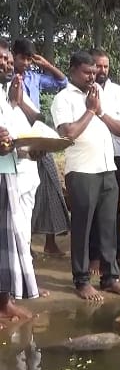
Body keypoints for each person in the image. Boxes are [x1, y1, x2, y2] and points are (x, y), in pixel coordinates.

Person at [51, 51, 120, 301]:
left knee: (108, 227)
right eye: (87, 72)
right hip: (82, 171)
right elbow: (68, 134)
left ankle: (110, 278)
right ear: (72, 69)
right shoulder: (63, 99)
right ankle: (82, 280)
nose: (92, 77)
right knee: (82, 228)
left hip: (107, 169)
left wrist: (100, 111)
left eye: (94, 73)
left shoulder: (99, 95)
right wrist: (90, 112)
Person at [12, 38, 70, 257]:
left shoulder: (35, 77)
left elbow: (63, 82)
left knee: (51, 184)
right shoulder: (8, 81)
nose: (26, 63)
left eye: (29, 59)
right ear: (13, 56)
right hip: (17, 136)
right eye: (22, 58)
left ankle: (50, 241)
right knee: (19, 192)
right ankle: (24, 245)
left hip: (37, 135)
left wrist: (46, 65)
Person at [0, 41, 45, 322]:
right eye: (0, 59)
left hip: (7, 173)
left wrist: (31, 150)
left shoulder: (7, 96)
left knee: (6, 239)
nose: (5, 63)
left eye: (6, 59)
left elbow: (12, 138)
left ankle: (5, 302)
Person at [88, 49, 120, 274]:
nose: (102, 70)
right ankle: (94, 256)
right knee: (93, 208)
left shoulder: (117, 92)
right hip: (91, 157)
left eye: (105, 66)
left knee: (112, 209)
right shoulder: (83, 91)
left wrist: (104, 117)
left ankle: (117, 254)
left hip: (115, 155)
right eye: (98, 65)